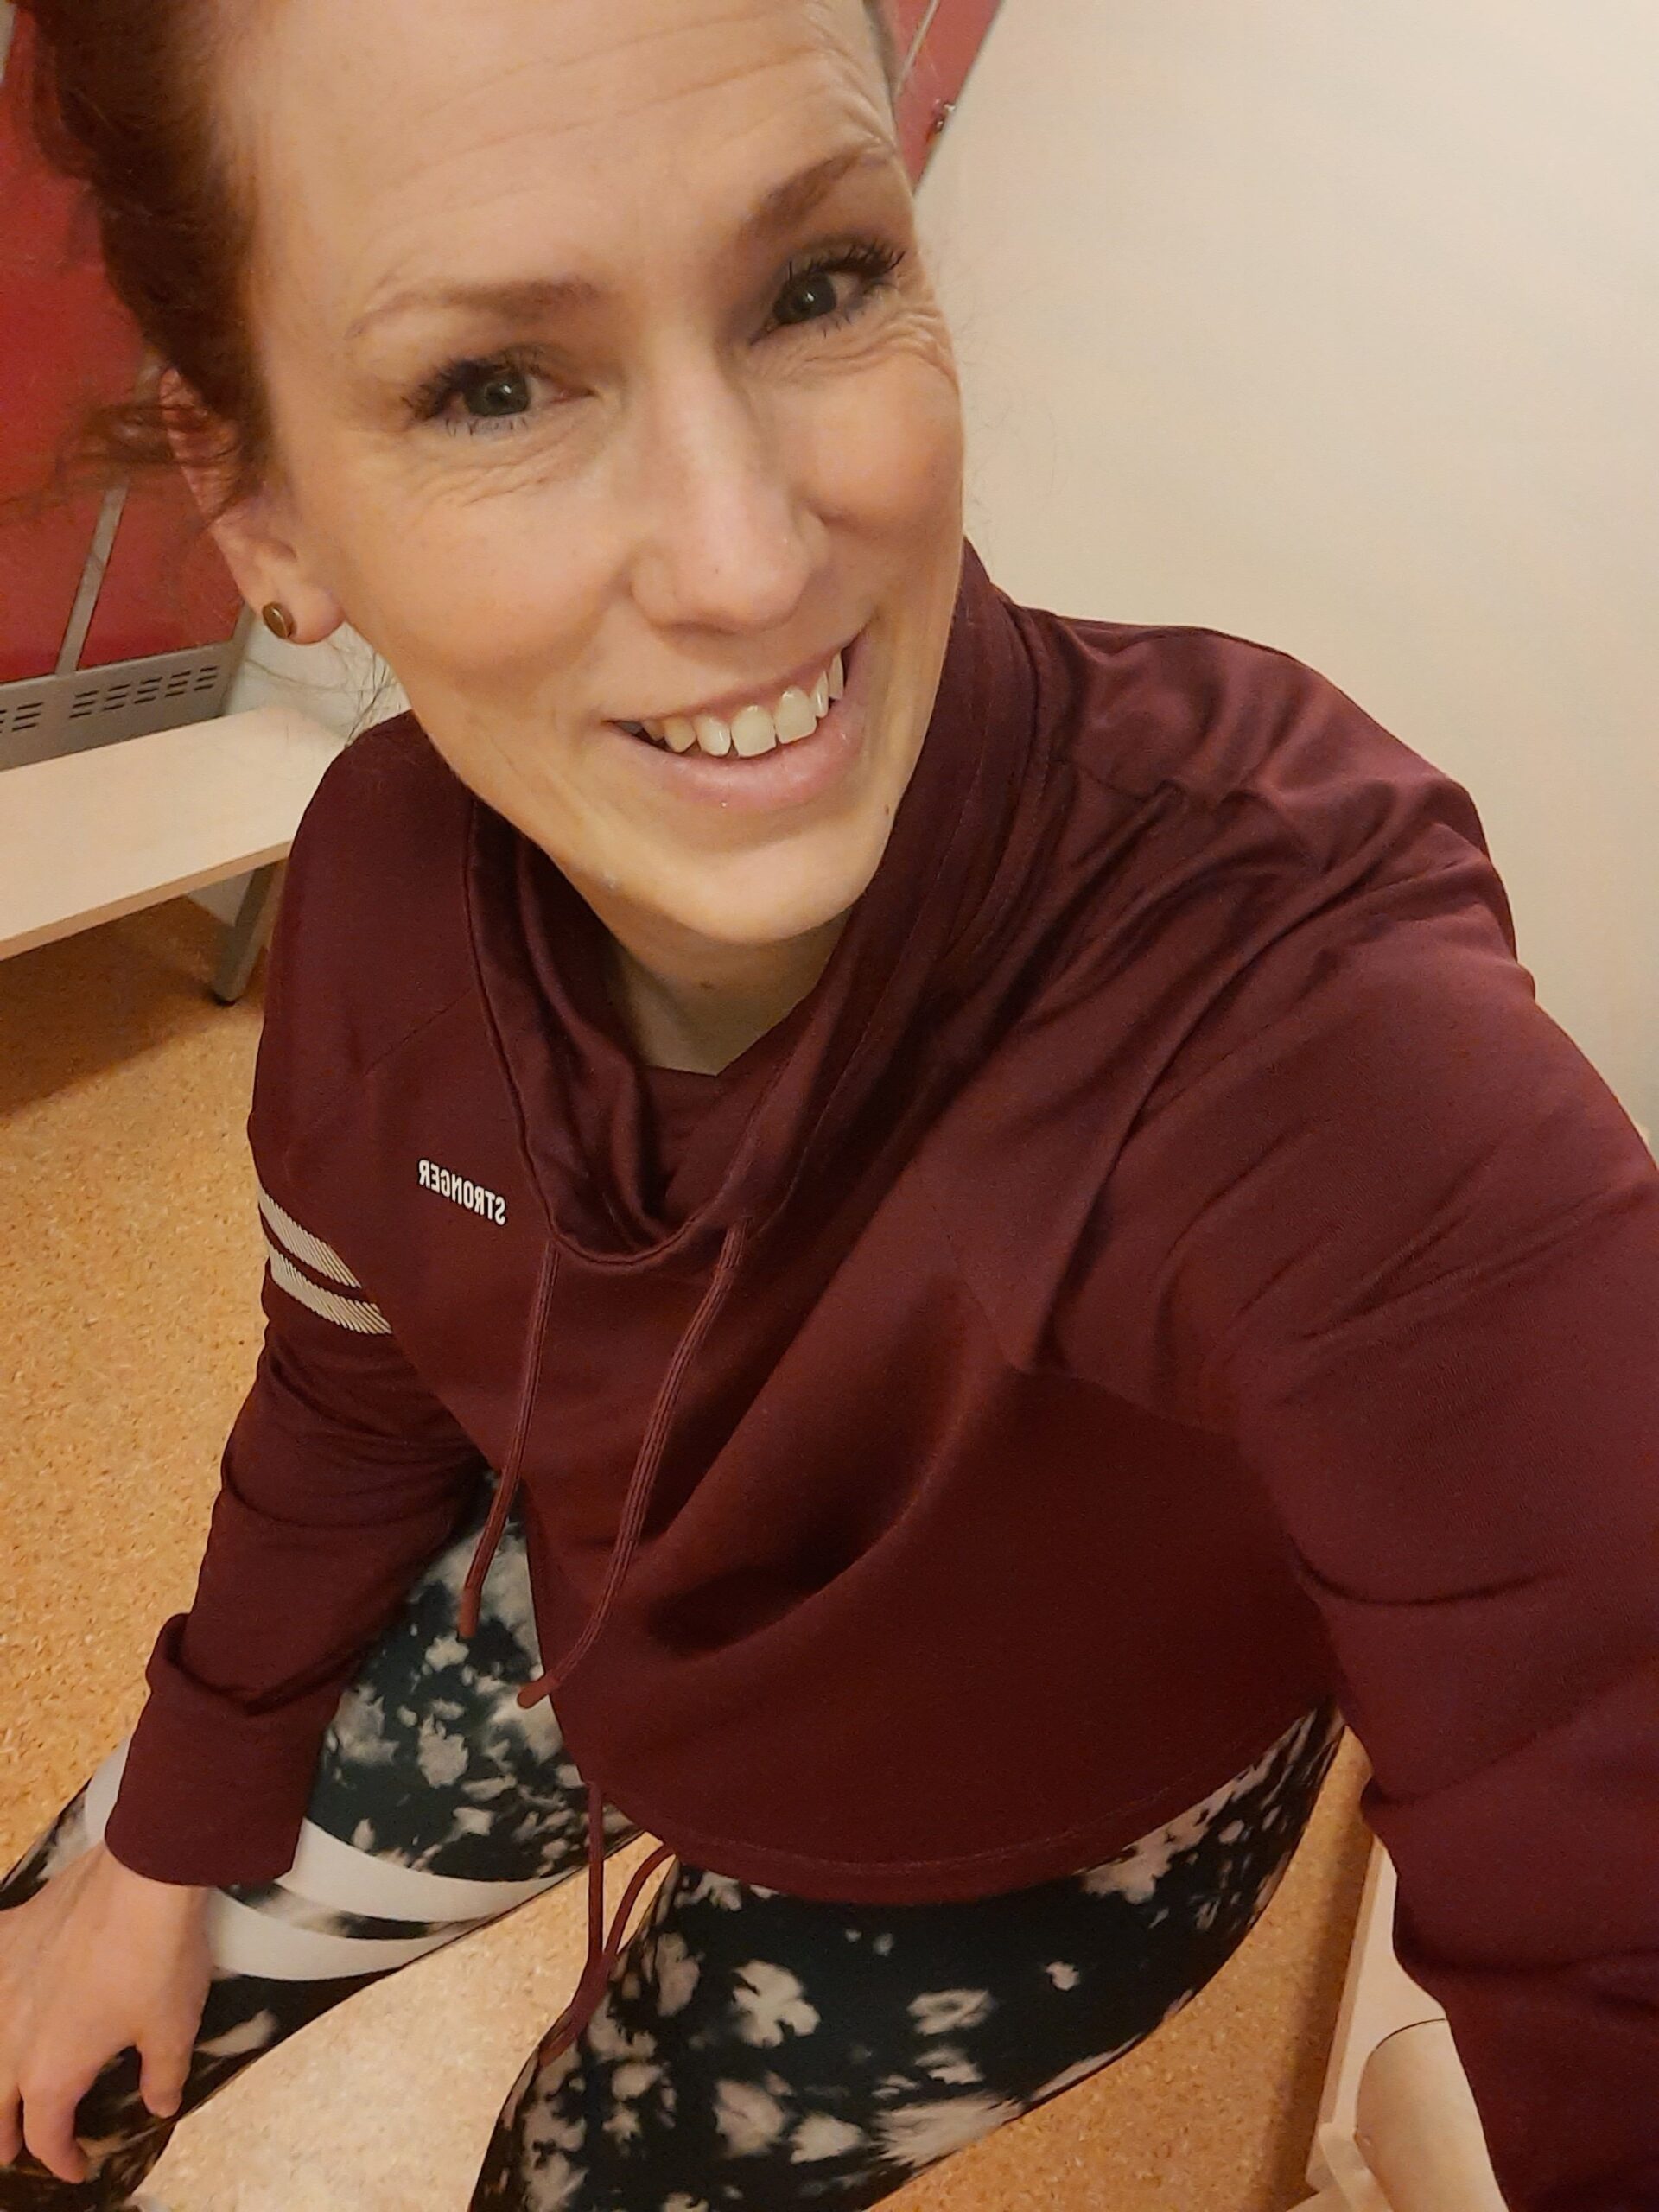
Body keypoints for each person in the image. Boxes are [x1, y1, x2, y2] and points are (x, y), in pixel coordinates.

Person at [1, 0, 1656, 2206]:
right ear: (264, 502)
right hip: (594, 1614)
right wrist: (170, 1829)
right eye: (492, 384)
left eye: (818, 280)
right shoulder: (385, 891)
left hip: (1022, 1835)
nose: (750, 562)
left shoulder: (1276, 979)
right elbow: (355, 1391)